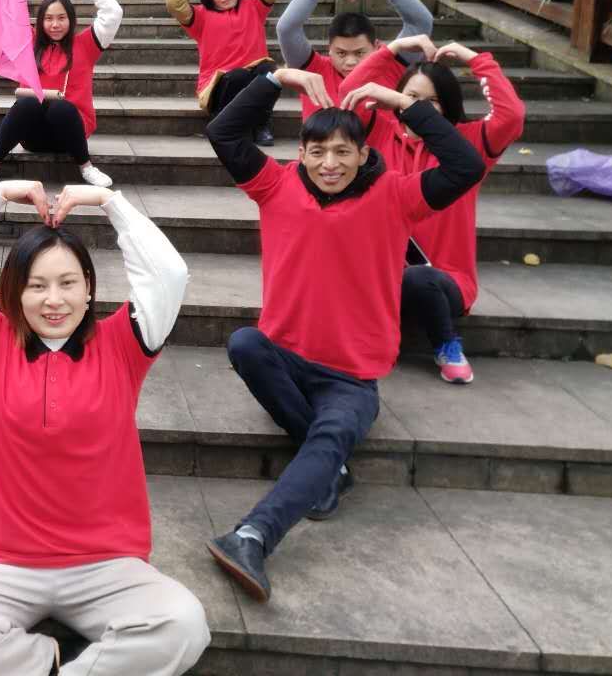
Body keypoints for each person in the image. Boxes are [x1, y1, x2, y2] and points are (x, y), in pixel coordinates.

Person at [203, 67, 484, 603]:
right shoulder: (275, 185)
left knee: (330, 435)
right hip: (284, 359)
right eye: (317, 152)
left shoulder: (397, 195)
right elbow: (223, 131)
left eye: (341, 152)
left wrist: (400, 101)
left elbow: (466, 164)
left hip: (350, 379)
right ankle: (327, 468)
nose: (329, 163)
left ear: (362, 153)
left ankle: (253, 536)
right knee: (243, 343)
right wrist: (277, 77)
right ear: (301, 154)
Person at [0, 180, 210, 676]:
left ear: (89, 288)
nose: (54, 300)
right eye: (37, 285)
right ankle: (44, 660)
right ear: (15, 292)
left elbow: (168, 273)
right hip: (0, 562)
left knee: (184, 625)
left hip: (106, 563)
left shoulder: (124, 344)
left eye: (68, 283)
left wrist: (110, 202)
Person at [338, 34, 527, 385]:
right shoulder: (380, 132)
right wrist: (393, 49)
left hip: (444, 281)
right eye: (411, 97)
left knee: (419, 279)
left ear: (448, 104)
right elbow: (350, 93)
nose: (419, 108)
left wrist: (476, 59)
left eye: (432, 101)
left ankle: (446, 345)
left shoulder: (469, 144)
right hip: (379, 276)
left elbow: (512, 115)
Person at [0, 0, 123, 190]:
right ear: (40, 21)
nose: (55, 25)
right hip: (33, 136)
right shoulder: (28, 42)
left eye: (61, 18)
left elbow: (113, 13)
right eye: (49, 18)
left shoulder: (87, 44)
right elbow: (3, 12)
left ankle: (86, 167)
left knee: (61, 108)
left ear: (71, 19)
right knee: (28, 103)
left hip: (70, 134)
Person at [275, 0, 434, 119]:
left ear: (376, 47)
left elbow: (421, 23)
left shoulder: (390, 65)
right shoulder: (313, 71)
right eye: (341, 53)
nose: (350, 62)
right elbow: (286, 29)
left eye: (359, 53)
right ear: (330, 49)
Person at [166, 0, 282, 147]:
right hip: (220, 86)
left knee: (269, 70)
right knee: (238, 76)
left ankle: (260, 124)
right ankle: (223, 123)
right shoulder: (200, 17)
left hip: (253, 79)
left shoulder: (254, 6)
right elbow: (174, 3)